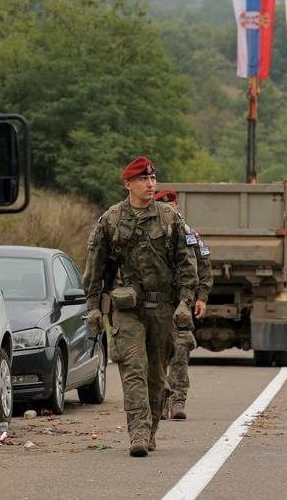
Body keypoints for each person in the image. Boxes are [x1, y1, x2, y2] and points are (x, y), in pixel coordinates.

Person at [83, 157, 199, 457]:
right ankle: (138, 431)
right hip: (126, 309)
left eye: (153, 178)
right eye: (144, 180)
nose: (151, 184)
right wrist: (93, 307)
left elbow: (187, 265)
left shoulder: (170, 219)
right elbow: (95, 268)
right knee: (133, 368)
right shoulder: (111, 220)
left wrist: (186, 302)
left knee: (156, 375)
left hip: (162, 309)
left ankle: (151, 430)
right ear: (128, 184)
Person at [153, 189, 212, 421]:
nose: (170, 210)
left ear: (177, 206)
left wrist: (202, 297)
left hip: (182, 304)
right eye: (165, 206)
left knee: (180, 350)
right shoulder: (150, 234)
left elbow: (204, 265)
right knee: (156, 354)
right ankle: (159, 399)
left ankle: (178, 400)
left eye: (173, 205)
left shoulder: (189, 234)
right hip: (156, 303)